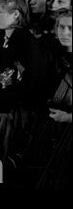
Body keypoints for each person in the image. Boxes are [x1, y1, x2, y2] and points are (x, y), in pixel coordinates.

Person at [0, 0, 47, 188]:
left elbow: (29, 83)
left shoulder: (27, 42)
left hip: (12, 116)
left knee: (1, 164)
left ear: (16, 14)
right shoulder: (1, 37)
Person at [24, 11, 72, 189]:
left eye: (70, 28)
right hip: (47, 128)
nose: (65, 32)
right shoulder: (50, 55)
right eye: (61, 27)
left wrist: (68, 118)